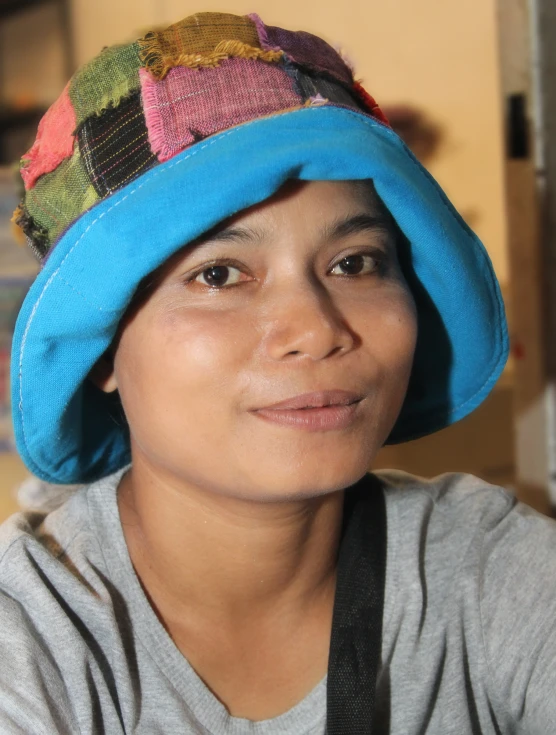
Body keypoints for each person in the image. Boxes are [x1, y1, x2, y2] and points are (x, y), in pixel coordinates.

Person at [2, 10, 555, 734]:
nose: (318, 330)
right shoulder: (35, 641)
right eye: (220, 273)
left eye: (355, 262)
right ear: (102, 348)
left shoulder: (486, 572)